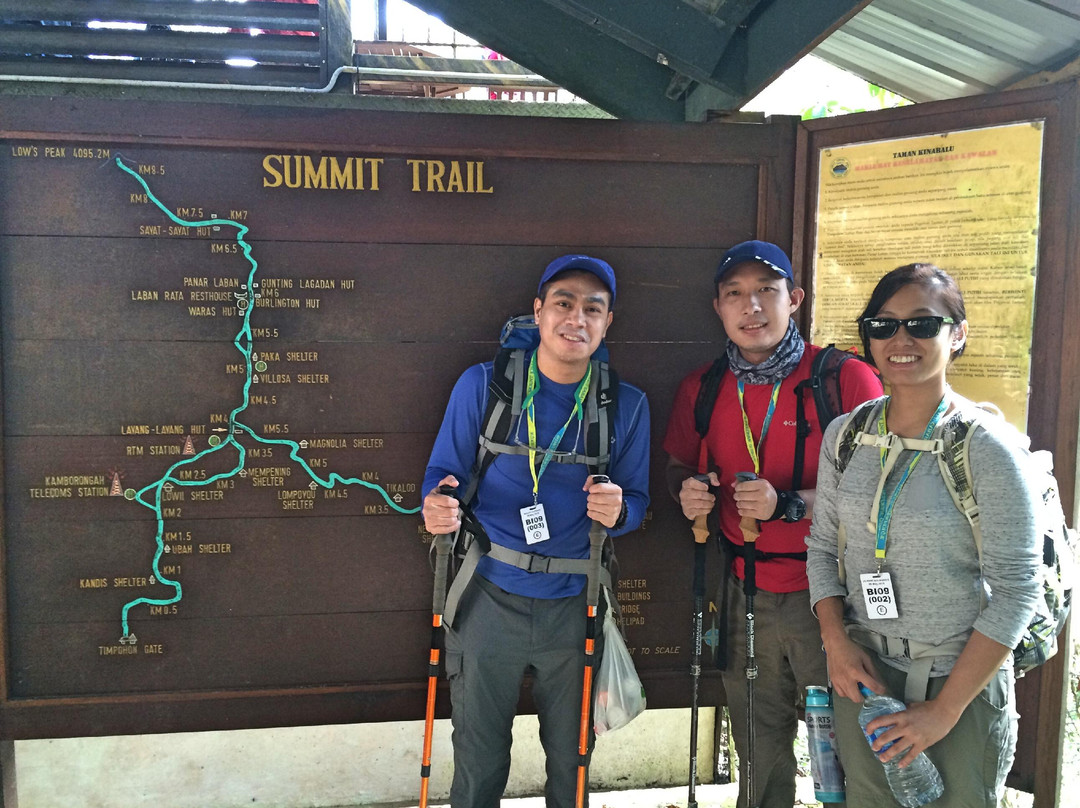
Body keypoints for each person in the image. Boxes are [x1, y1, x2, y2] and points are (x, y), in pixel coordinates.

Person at [806, 263, 1042, 806]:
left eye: (922, 324)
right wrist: (836, 643)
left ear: (957, 334)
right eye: (883, 325)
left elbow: (1017, 590)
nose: (901, 339)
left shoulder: (988, 447)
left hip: (961, 684)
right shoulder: (847, 435)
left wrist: (944, 711)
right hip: (865, 676)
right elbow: (821, 548)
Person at [422, 255, 650, 808]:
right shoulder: (483, 386)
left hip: (576, 605)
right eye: (563, 303)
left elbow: (637, 504)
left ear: (608, 322)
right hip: (486, 595)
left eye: (592, 308)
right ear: (538, 311)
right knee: (478, 760)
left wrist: (618, 510)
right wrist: (436, 505)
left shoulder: (625, 405)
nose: (576, 318)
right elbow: (442, 474)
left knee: (572, 763)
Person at [663, 240, 883, 808]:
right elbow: (678, 465)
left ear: (795, 299)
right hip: (746, 589)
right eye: (735, 293)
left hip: (835, 595)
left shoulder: (845, 379)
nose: (752, 305)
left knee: (854, 748)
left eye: (766, 290)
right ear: (718, 307)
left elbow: (880, 490)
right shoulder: (703, 387)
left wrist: (789, 504)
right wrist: (687, 491)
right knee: (758, 749)